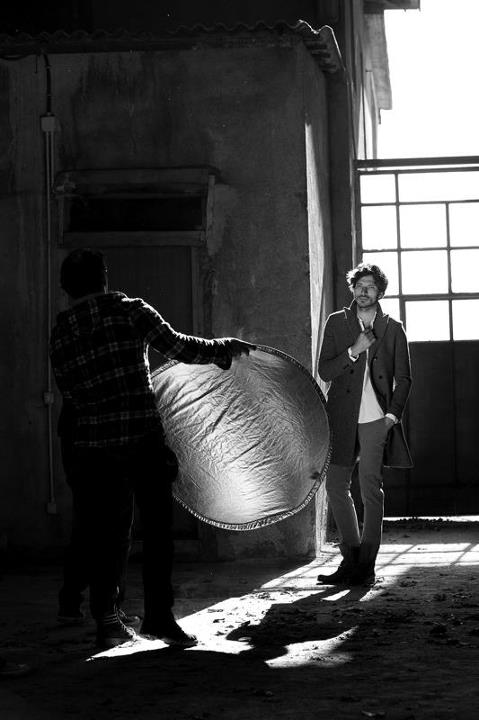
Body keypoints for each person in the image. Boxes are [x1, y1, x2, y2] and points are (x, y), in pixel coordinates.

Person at [50, 248, 255, 648]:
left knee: (108, 534)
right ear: (104, 277)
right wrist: (223, 348)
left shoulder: (61, 331)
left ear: (65, 288)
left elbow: (69, 391)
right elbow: (179, 347)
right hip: (141, 439)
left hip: (92, 446)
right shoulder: (130, 311)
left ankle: (107, 620)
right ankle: (159, 618)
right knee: (158, 532)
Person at [316, 262, 412, 586]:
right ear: (353, 289)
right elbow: (325, 370)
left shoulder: (393, 328)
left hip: (376, 419)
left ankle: (366, 566)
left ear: (380, 292)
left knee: (371, 489)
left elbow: (404, 378)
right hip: (341, 416)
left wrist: (391, 417)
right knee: (335, 486)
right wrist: (353, 351)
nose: (363, 291)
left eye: (370, 286)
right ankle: (351, 559)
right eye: (359, 285)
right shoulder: (336, 322)